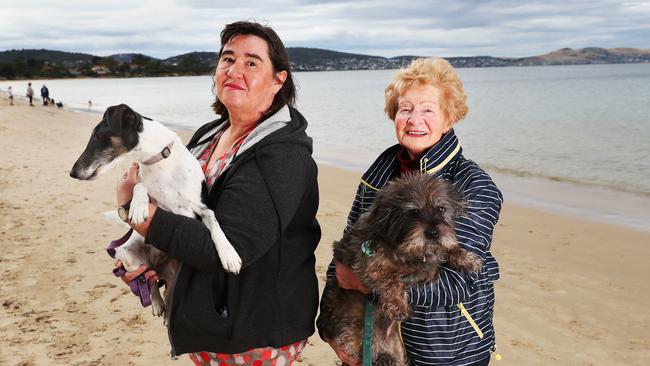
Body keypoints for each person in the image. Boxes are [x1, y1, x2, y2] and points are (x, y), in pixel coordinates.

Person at [114, 21, 321, 365]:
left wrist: (136, 213)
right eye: (228, 59)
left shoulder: (282, 154)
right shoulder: (209, 134)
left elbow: (231, 248)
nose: (234, 70)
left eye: (252, 62)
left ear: (278, 79)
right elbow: (182, 213)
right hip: (211, 320)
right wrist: (154, 257)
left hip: (251, 332)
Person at [317, 58, 503, 366]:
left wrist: (370, 285)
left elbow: (460, 281)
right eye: (405, 109)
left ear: (450, 117)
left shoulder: (474, 185)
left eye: (428, 109)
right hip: (370, 343)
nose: (415, 119)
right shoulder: (378, 176)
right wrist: (329, 328)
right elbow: (347, 251)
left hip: (444, 350)